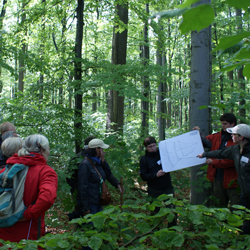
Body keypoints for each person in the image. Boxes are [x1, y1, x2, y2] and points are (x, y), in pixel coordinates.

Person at [0, 134, 58, 243]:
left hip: (3, 231)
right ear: (42, 150)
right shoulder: (45, 172)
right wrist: (27, 214)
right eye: (48, 149)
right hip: (27, 235)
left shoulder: (7, 169)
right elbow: (47, 198)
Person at [197, 124, 250, 234]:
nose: (231, 136)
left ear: (242, 137)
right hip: (244, 193)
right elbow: (220, 153)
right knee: (244, 219)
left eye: (234, 134)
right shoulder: (235, 149)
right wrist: (204, 154)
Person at [193, 113, 239, 208]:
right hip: (218, 178)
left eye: (225, 124)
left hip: (233, 179)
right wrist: (198, 135)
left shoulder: (237, 139)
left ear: (232, 124)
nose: (223, 126)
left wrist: (214, 162)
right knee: (219, 207)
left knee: (237, 207)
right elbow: (205, 142)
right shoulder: (217, 136)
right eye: (222, 123)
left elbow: (233, 160)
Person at [77, 138, 122, 216]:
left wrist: (103, 162)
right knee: (91, 226)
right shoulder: (85, 164)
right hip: (91, 203)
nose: (103, 151)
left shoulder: (98, 161)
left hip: (99, 200)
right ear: (96, 149)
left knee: (99, 225)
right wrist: (85, 208)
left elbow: (108, 173)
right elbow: (82, 187)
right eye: (101, 148)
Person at [140, 136, 176, 227]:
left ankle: (172, 232)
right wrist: (156, 175)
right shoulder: (144, 159)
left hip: (167, 188)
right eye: (150, 147)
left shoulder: (162, 153)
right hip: (154, 190)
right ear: (146, 147)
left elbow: (174, 154)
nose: (153, 148)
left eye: (154, 146)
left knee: (172, 211)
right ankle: (155, 233)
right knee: (155, 213)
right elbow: (143, 176)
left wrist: (165, 146)